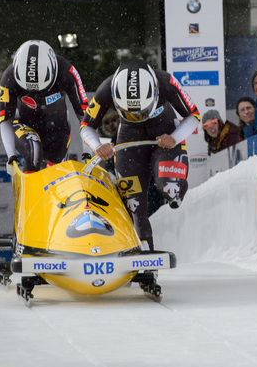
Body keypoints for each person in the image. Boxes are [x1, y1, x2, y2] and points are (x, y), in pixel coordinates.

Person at [80, 58, 200, 251]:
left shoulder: (165, 82)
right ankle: (146, 256)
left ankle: (176, 192)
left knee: (170, 188)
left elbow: (193, 115)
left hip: (165, 137)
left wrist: (174, 138)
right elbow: (86, 126)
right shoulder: (106, 89)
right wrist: (97, 147)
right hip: (129, 141)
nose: (137, 116)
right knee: (135, 207)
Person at [0, 39, 89, 174]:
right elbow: (5, 119)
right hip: (24, 123)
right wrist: (11, 156)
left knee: (56, 173)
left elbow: (86, 116)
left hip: (58, 128)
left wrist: (88, 154)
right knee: (33, 151)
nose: (36, 93)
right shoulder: (9, 78)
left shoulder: (67, 72)